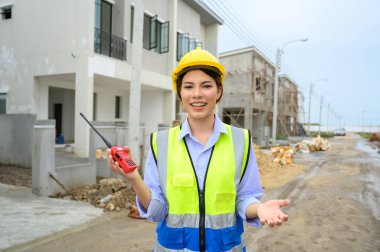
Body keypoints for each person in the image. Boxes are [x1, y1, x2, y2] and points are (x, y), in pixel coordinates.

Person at [107, 48, 290, 251]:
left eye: (206, 86)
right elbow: (157, 211)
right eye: (188, 87)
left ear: (218, 91)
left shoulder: (241, 140)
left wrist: (260, 208)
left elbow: (243, 198)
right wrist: (134, 179)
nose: (197, 94)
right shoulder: (161, 143)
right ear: (180, 93)